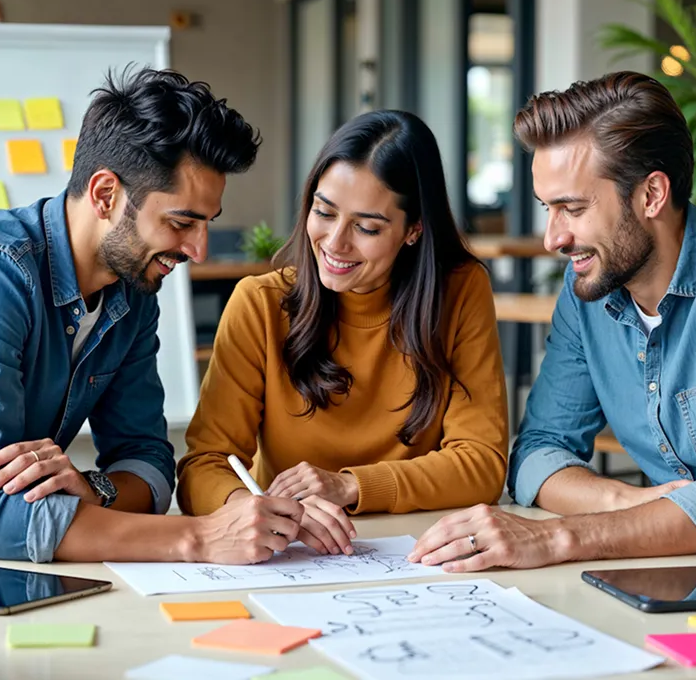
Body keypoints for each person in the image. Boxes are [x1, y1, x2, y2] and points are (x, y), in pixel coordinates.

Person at [0, 68, 305, 564]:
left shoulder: (132, 292)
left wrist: (95, 489)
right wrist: (198, 539)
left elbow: (150, 465)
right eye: (181, 222)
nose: (198, 250)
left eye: (206, 225)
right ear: (105, 193)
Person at [409, 71, 696, 574]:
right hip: (684, 569)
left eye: (572, 208)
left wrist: (556, 537)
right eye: (547, 209)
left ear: (651, 195)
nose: (553, 238)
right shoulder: (589, 294)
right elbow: (537, 454)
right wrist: (622, 503)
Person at [178, 109, 509, 556]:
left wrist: (349, 485)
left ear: (413, 230)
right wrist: (253, 511)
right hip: (291, 554)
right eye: (324, 212)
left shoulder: (459, 292)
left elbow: (482, 465)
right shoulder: (259, 304)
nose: (335, 242)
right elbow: (204, 465)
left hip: (418, 552)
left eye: (367, 227)